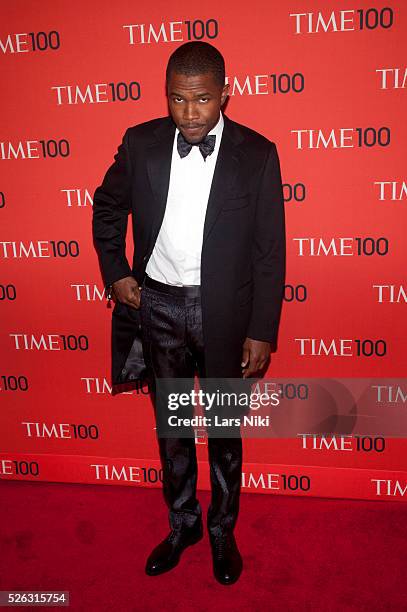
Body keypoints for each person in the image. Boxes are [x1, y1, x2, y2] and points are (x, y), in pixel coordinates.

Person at [92, 41, 286, 585]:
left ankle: (223, 530)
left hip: (225, 314)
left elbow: (271, 251)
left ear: (226, 92)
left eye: (202, 99)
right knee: (172, 428)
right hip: (157, 306)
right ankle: (184, 524)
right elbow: (106, 206)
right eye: (178, 99)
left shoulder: (258, 153)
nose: (190, 112)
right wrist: (117, 273)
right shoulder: (141, 144)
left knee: (225, 429)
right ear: (166, 96)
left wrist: (262, 331)